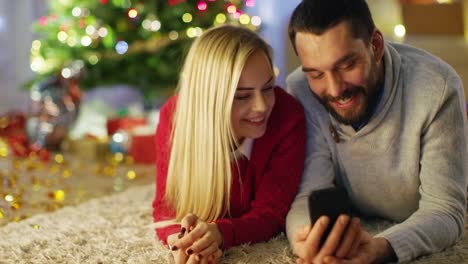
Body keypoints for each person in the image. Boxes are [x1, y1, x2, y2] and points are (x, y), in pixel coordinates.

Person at [285, 0, 468, 263]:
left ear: (376, 45)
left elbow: (445, 211)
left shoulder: (438, 86)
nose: (335, 89)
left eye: (347, 65)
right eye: (316, 74)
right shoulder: (300, 89)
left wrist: (381, 248)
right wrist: (307, 240)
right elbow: (308, 194)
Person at [152, 25, 306, 263]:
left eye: (268, 88)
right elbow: (165, 208)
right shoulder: (175, 117)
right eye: (242, 96)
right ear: (209, 98)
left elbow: (272, 212)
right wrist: (182, 241)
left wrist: (220, 234)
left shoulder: (287, 115)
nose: (262, 106)